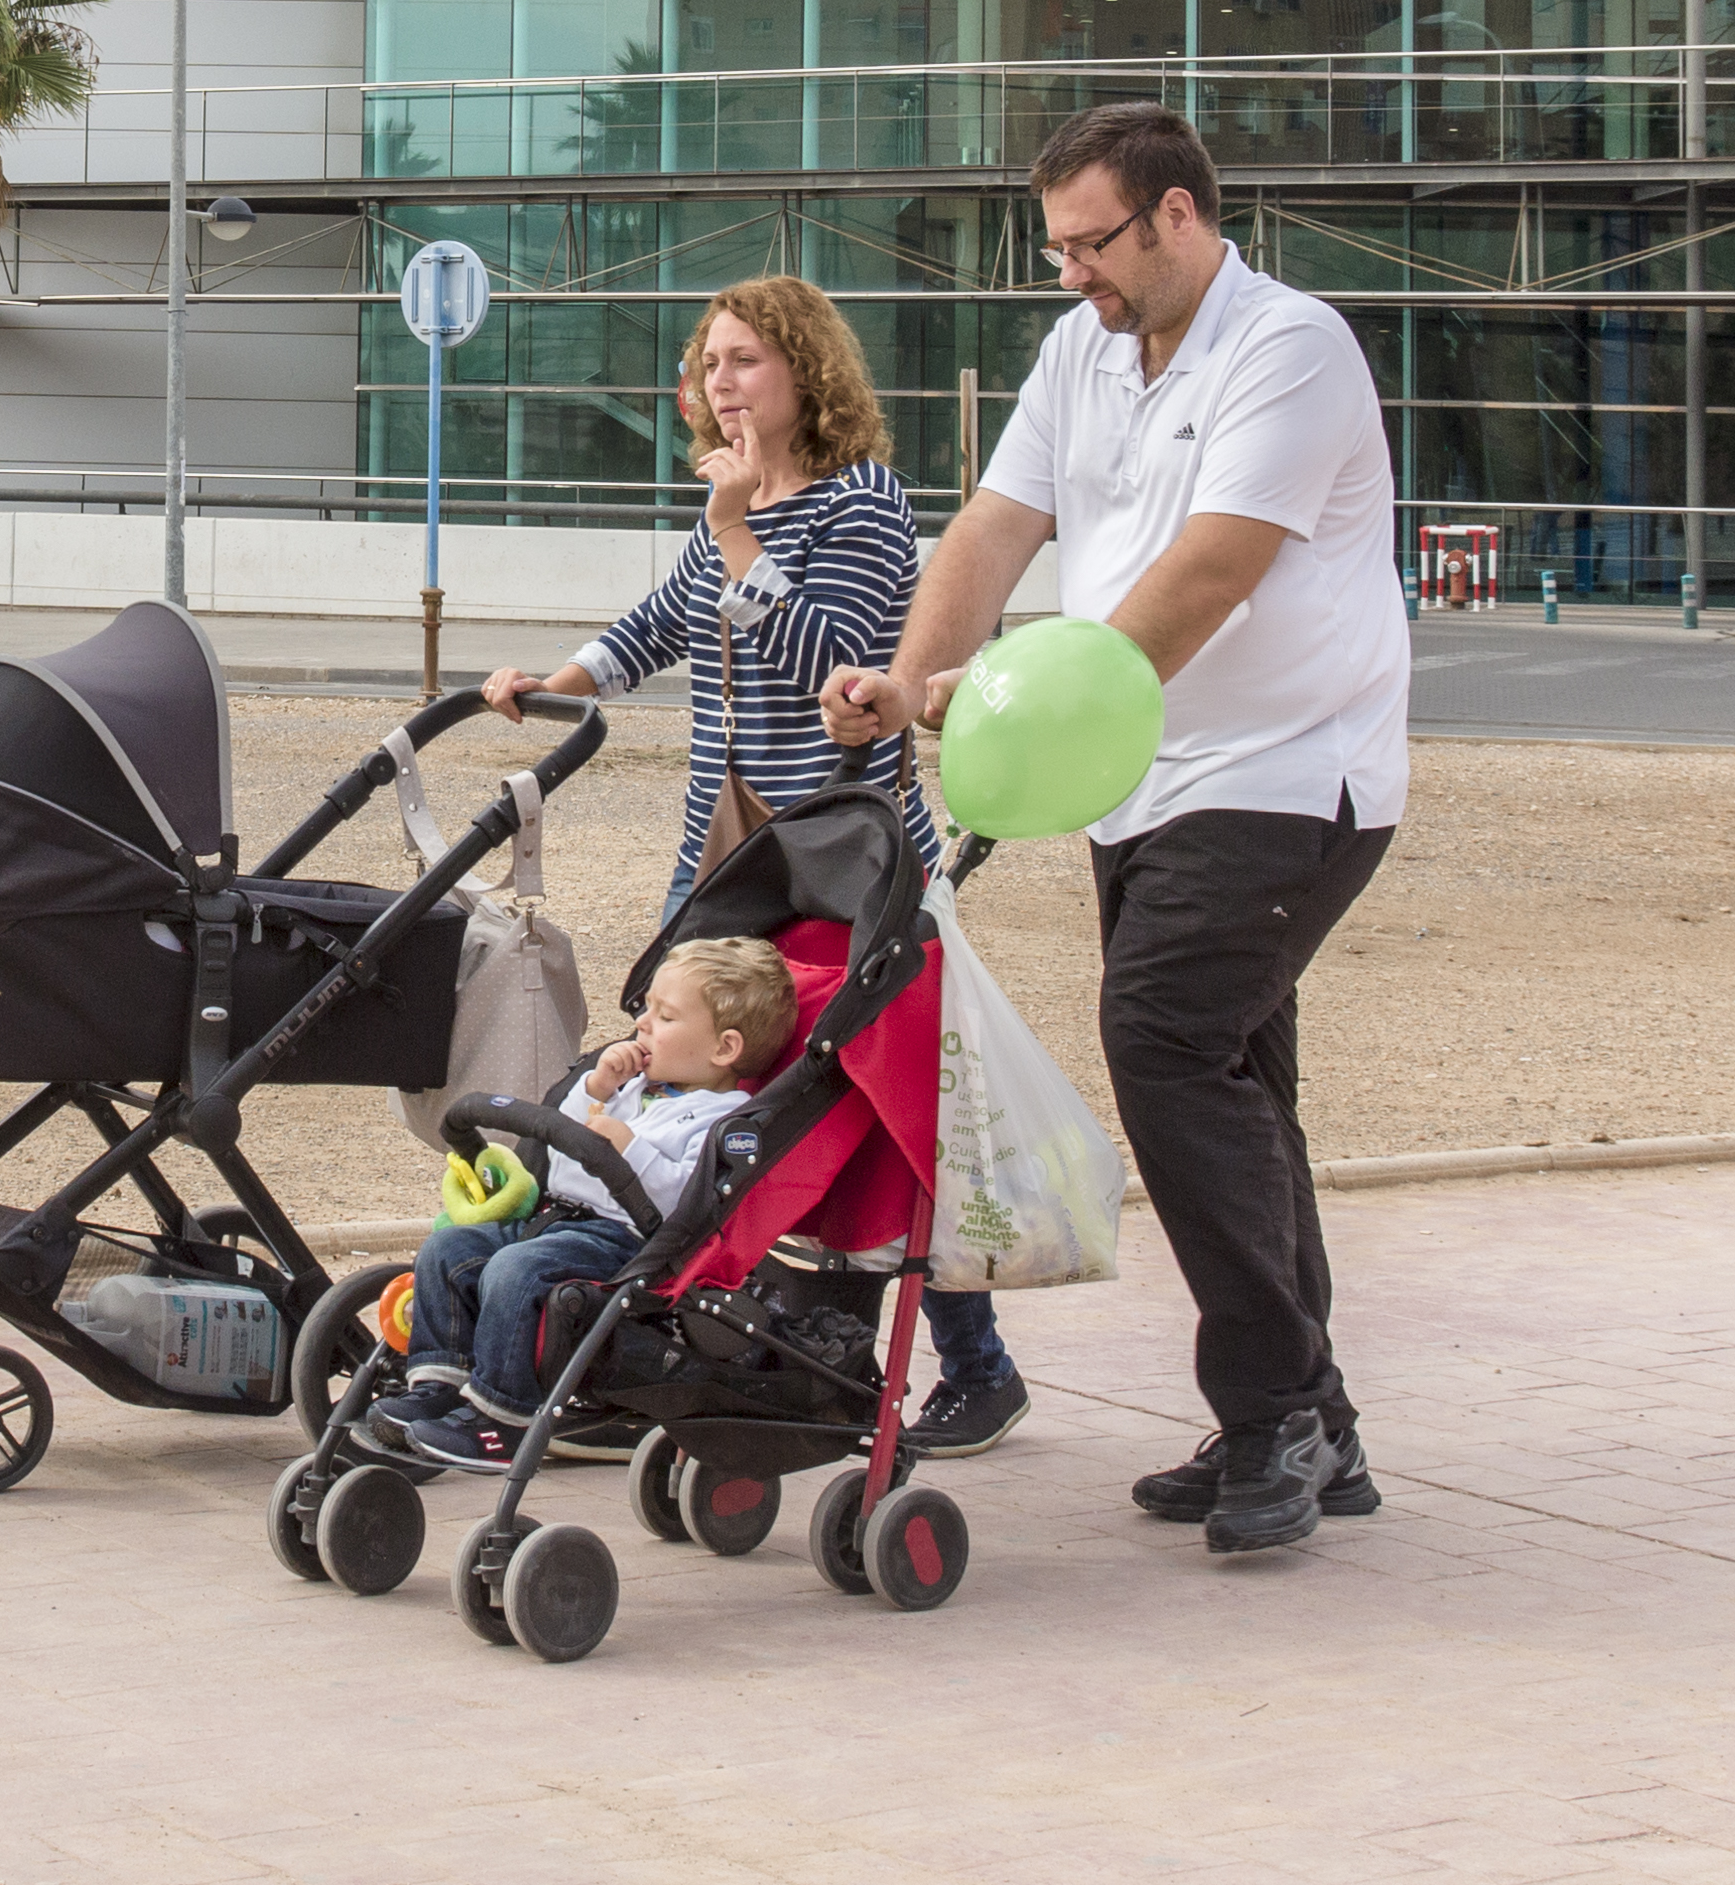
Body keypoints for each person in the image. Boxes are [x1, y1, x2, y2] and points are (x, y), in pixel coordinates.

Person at [827, 100, 1410, 1560]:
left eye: (1093, 244)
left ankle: (1275, 1406)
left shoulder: (1290, 346)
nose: (1072, 273)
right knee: (1238, 1083)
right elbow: (991, 529)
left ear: (1179, 217)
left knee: (1159, 1036)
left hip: (1291, 772)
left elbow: (1212, 572)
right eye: (1058, 248)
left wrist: (1022, 687)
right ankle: (1312, 1420)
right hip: (1135, 776)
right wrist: (910, 680)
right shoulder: (1080, 350)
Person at [473, 273, 1024, 1455]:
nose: (721, 385)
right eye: (711, 364)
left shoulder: (860, 501)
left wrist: (736, 535)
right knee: (698, 1088)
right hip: (726, 862)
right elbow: (662, 623)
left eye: (746, 362)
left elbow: (844, 654)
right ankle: (669, 1338)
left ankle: (976, 1363)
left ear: (805, 374)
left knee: (868, 1101)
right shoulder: (729, 502)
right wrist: (556, 684)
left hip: (841, 860)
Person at [366, 937, 791, 1466]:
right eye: (646, 1009)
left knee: (515, 1271)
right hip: (557, 1218)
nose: (642, 1025)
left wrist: (628, 1148)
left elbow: (687, 1202)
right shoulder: (637, 1086)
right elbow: (563, 1146)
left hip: (622, 1242)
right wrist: (595, 1087)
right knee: (449, 1249)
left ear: (723, 1049)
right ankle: (440, 1381)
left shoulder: (721, 1117)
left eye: (665, 1017)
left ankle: (503, 1415)